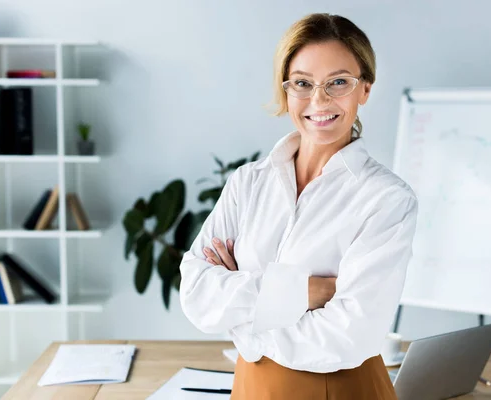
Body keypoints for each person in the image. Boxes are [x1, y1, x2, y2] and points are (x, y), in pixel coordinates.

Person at [179, 12, 418, 399]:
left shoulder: (386, 200)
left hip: (342, 390)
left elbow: (348, 337)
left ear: (365, 90)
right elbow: (196, 294)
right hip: (250, 387)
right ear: (286, 90)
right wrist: (306, 292)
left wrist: (243, 321)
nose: (319, 100)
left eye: (338, 82)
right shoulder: (248, 183)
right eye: (303, 83)